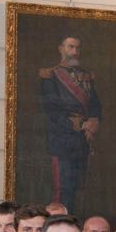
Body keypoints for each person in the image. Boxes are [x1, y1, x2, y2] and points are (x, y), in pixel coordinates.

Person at [40, 35, 102, 209]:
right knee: (62, 189)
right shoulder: (50, 76)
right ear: (61, 49)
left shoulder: (86, 76)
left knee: (79, 188)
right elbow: (51, 110)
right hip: (62, 141)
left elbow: (95, 104)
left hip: (83, 140)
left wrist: (94, 121)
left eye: (77, 48)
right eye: (70, 47)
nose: (75, 52)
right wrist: (81, 124)